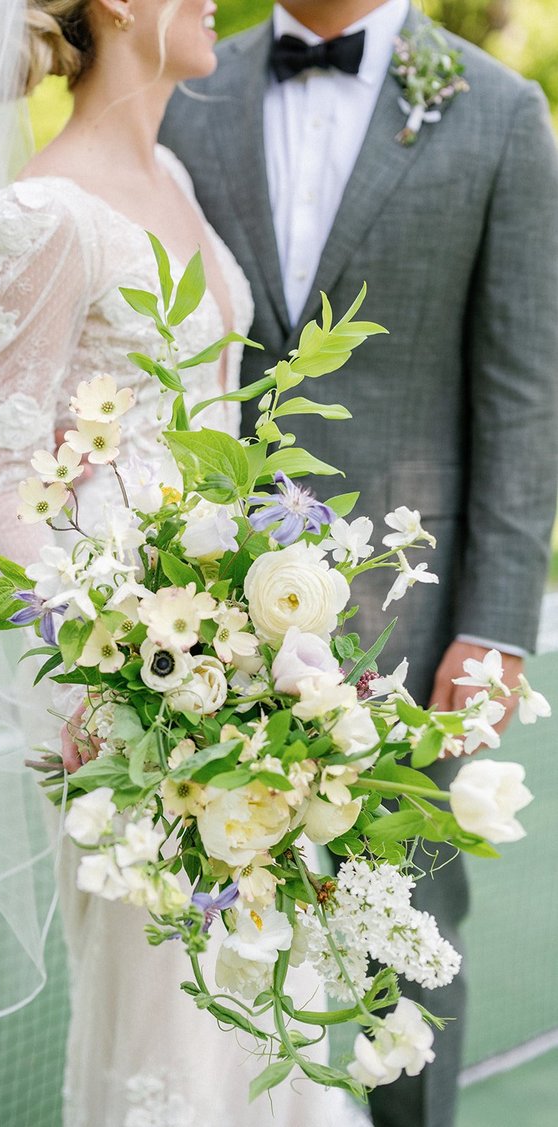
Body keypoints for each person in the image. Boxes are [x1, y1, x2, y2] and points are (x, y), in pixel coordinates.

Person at [0, 0, 361, 1123]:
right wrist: (130, 661)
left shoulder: (177, 181)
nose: (214, 0)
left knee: (265, 995)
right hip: (127, 697)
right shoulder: (38, 213)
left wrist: (275, 633)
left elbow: (212, 433)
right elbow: (8, 487)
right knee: (168, 1007)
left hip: (244, 665)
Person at [160, 2, 558, 1126]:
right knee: (205, 947)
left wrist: (496, 625)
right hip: (203, 618)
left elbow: (525, 401)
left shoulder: (501, 112)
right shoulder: (184, 88)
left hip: (412, 629)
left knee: (408, 950)